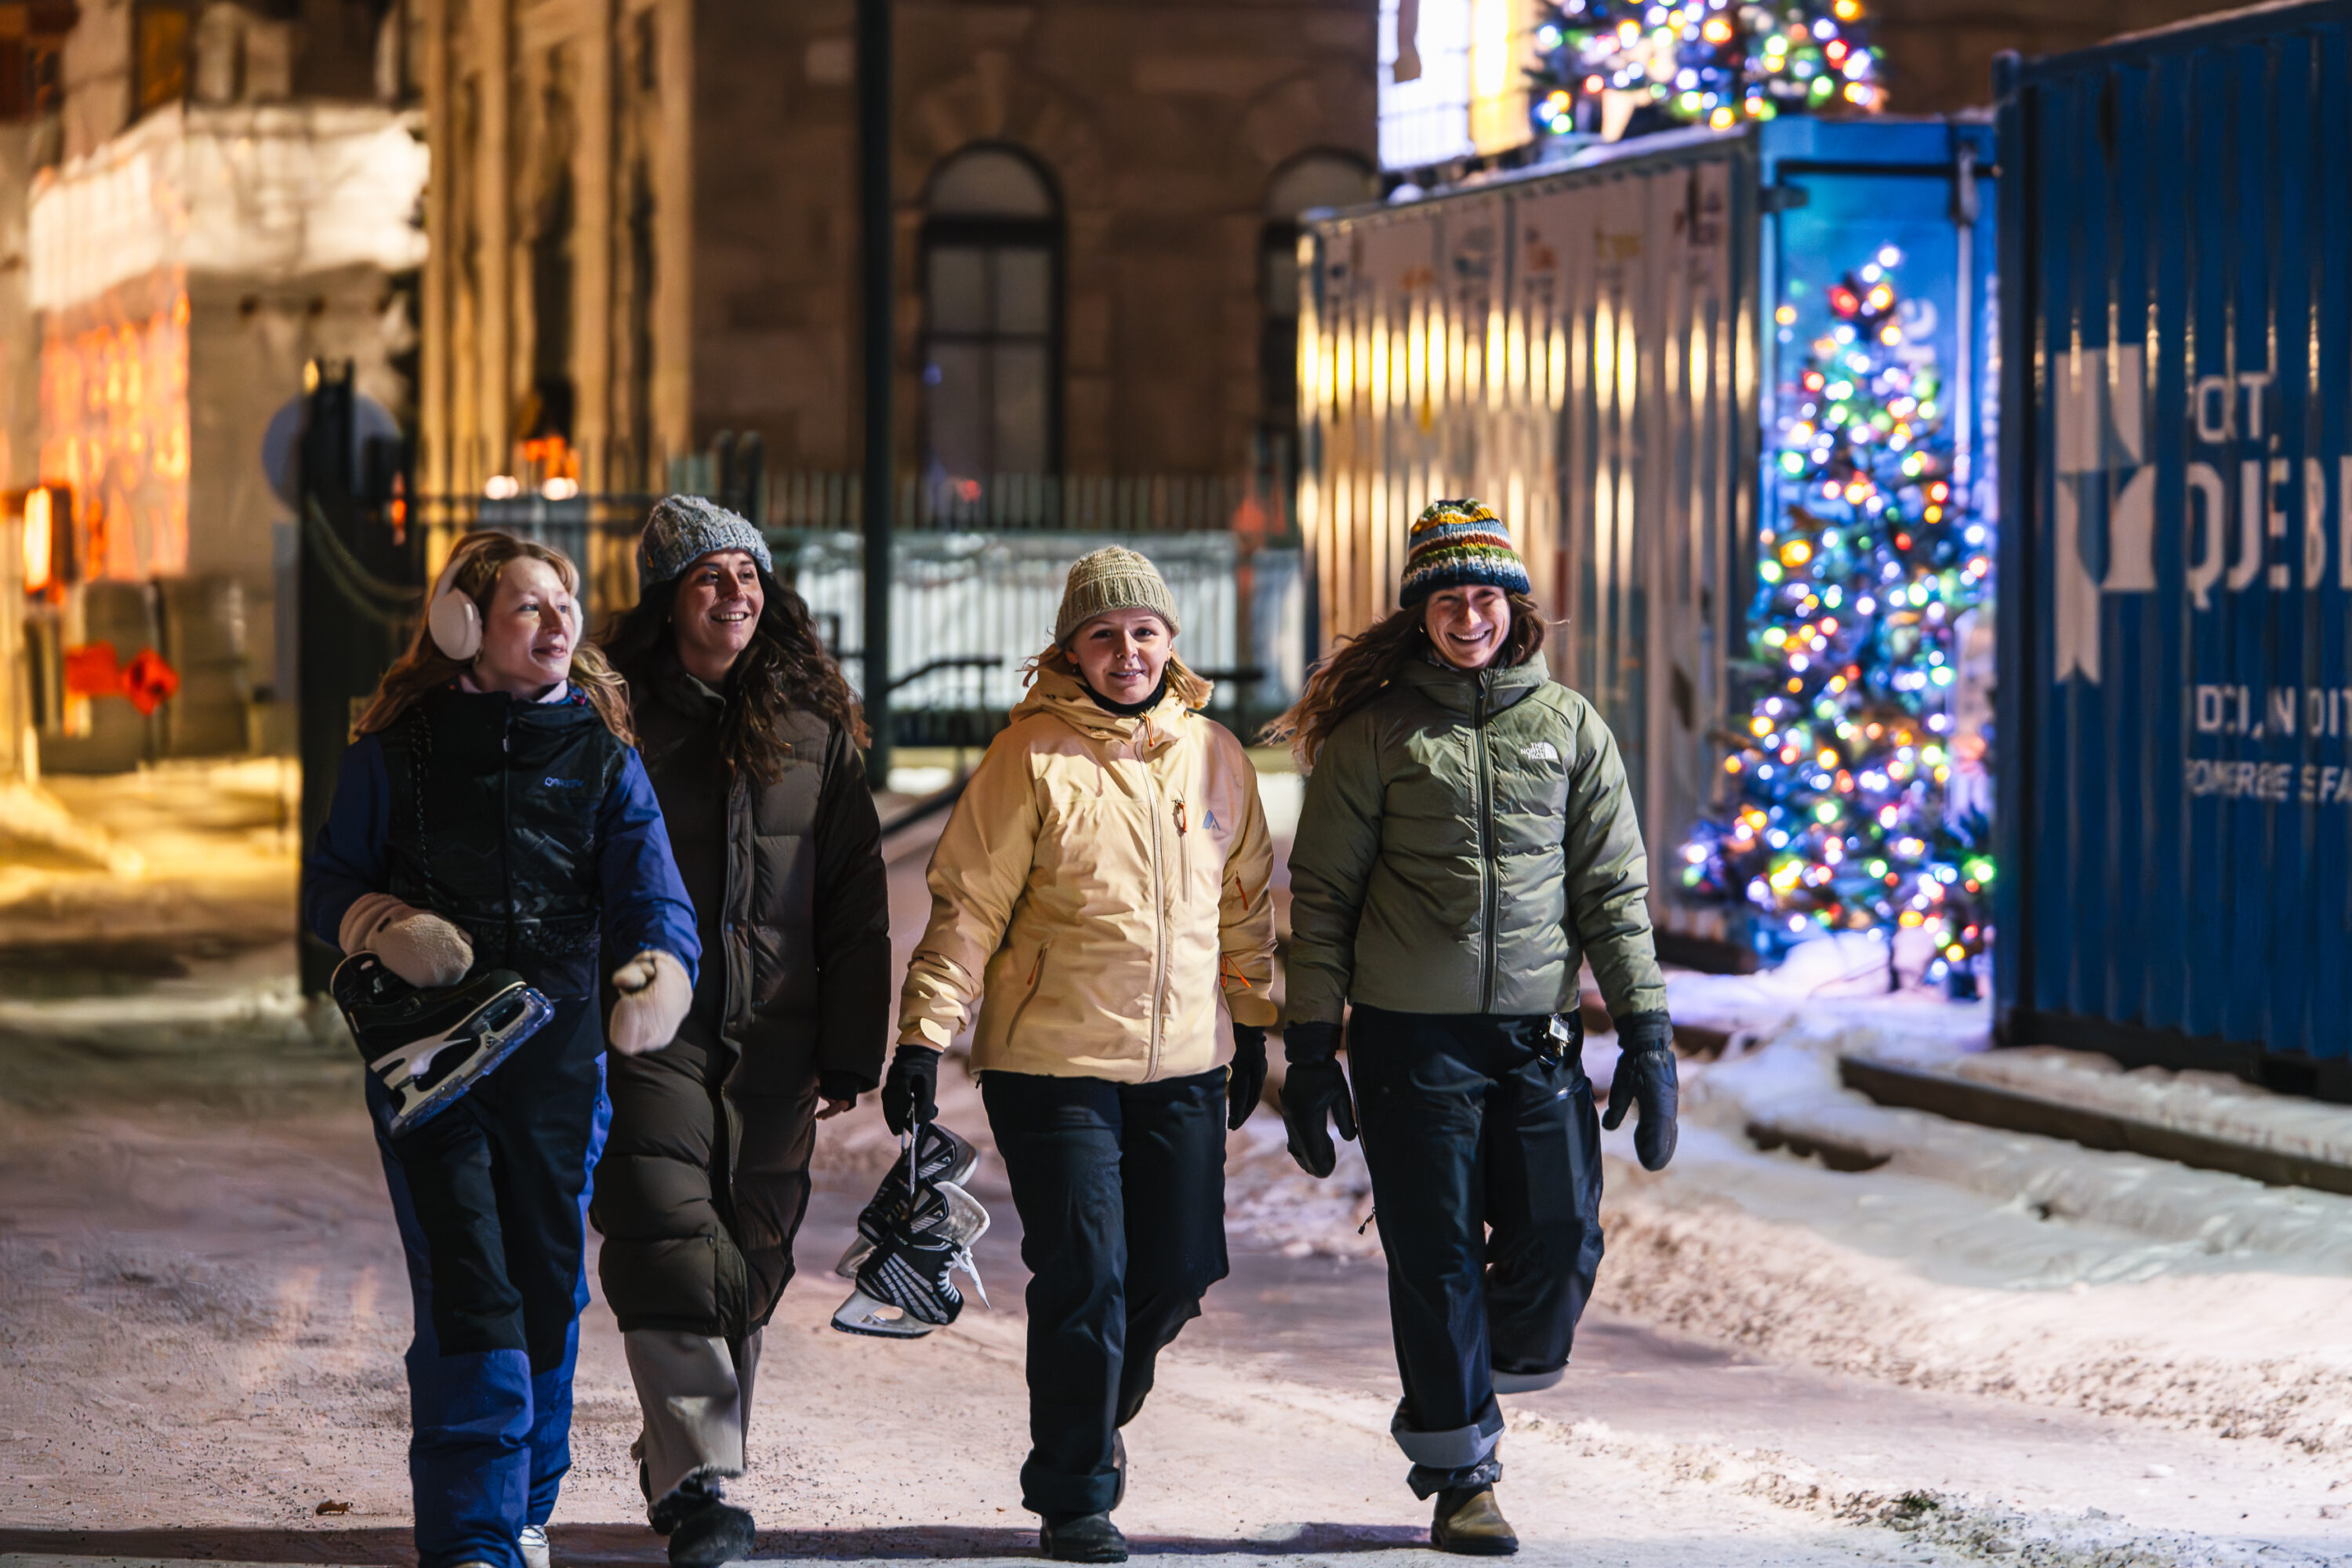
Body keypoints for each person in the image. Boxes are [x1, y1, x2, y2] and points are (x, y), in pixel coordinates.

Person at [1268, 499, 1678, 1556]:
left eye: (1485, 596)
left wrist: (1646, 1031)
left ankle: (1465, 1370)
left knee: (1562, 1237)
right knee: (1436, 1256)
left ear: (1515, 607)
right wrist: (1311, 1052)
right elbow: (1321, 903)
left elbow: (1613, 894)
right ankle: (1462, 1476)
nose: (1468, 615)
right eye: (1447, 599)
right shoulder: (1378, 736)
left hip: (1537, 1040)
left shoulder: (1571, 726)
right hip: (1412, 1042)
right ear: (1422, 615)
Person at [304, 530, 699, 1568]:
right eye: (530, 607)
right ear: (464, 626)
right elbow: (329, 886)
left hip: (561, 1057)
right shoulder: (398, 750)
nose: (559, 622)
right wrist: (383, 924)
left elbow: (650, 886)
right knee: (471, 1279)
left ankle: (527, 1502)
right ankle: (474, 1533)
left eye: (564, 605)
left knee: (547, 1276)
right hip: (431, 1064)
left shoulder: (604, 753)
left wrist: (660, 965)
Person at [888, 547, 1278, 1564]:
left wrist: (1257, 1021)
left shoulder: (1215, 754)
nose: (1126, 651)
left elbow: (1242, 910)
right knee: (1088, 1275)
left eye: (1143, 631)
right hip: (1052, 1068)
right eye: (1103, 635)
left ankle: (1092, 1412)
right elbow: (968, 904)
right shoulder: (1031, 758)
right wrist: (926, 1034)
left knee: (1182, 1270)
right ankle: (1075, 1493)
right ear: (1071, 649)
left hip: (1184, 1063)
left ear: (1171, 643)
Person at [591, 496, 891, 1566]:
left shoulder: (813, 732)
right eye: (709, 579)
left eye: (748, 578)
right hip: (651, 1023)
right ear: (669, 599)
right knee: (667, 1234)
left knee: (752, 1250)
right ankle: (701, 1480)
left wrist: (855, 1044)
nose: (734, 596)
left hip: (775, 1029)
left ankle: (695, 1454)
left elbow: (856, 898)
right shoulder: (614, 720)